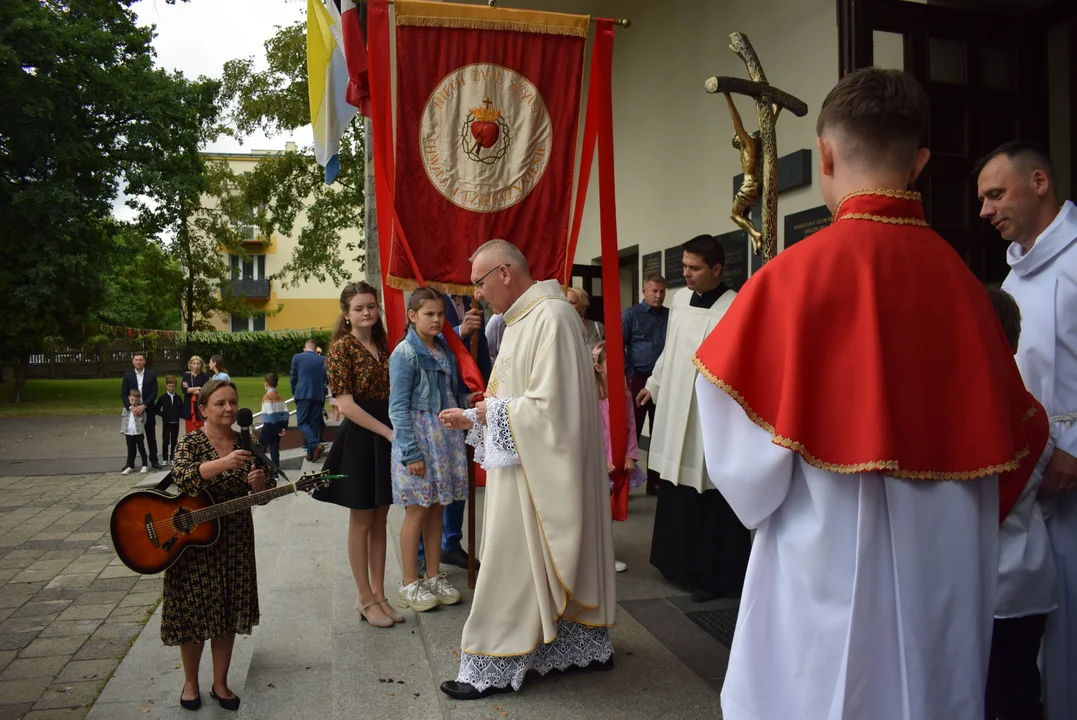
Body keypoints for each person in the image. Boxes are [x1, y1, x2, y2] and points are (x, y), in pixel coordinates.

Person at [692, 67, 1046, 720]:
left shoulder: (788, 279)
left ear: (824, 154)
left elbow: (741, 468)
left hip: (821, 555)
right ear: (918, 163)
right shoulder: (971, 294)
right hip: (943, 573)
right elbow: (1020, 437)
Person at [439, 240, 615, 700]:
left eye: (479, 283)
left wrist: (483, 416)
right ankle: (569, 642)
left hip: (539, 468)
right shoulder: (521, 318)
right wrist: (482, 411)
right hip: (522, 458)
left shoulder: (552, 316)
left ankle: (491, 661)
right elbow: (521, 392)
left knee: (509, 558)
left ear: (504, 273)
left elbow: (550, 408)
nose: (476, 295)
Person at [977, 139, 1077, 720]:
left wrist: (1073, 449)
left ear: (1039, 182)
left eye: (995, 194)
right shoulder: (1012, 282)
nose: (985, 211)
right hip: (1031, 479)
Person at [638, 234, 747, 602]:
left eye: (694, 268)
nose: (685, 274)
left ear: (716, 269)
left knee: (707, 486)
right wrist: (654, 383)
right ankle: (675, 562)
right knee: (675, 482)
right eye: (683, 266)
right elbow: (670, 349)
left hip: (708, 413)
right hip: (675, 407)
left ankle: (713, 575)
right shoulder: (681, 301)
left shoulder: (735, 306)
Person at [166, 379, 273, 712]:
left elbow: (265, 486)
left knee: (227, 609)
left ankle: (220, 683)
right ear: (203, 410)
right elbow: (182, 476)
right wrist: (223, 464)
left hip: (236, 535)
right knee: (195, 612)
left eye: (233, 402)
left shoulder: (248, 440)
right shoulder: (192, 442)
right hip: (194, 540)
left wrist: (259, 483)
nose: (228, 409)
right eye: (220, 403)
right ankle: (189, 683)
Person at [983, 285, 1057, 720]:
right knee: (1021, 691)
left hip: (985, 585)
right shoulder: (1035, 411)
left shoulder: (969, 414)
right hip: (1029, 577)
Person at [311, 282, 401, 628]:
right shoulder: (340, 349)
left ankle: (379, 594)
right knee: (362, 519)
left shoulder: (384, 345)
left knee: (381, 517)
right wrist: (388, 432)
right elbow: (345, 405)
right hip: (363, 437)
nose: (367, 312)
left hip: (385, 431)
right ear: (346, 315)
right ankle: (364, 597)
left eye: (371, 306)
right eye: (359, 308)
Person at [389, 289, 474, 613]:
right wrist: (411, 453)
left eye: (440, 314)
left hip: (444, 440)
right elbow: (398, 408)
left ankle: (434, 575)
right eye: (429, 314)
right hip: (420, 441)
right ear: (412, 316)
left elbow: (448, 394)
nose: (437, 320)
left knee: (438, 506)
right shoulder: (405, 353)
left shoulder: (444, 351)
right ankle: (410, 582)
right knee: (417, 511)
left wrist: (467, 401)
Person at [417, 293, 487, 575]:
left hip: (465, 401)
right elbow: (424, 345)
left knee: (460, 478)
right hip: (432, 411)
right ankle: (421, 552)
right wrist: (460, 332)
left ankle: (451, 542)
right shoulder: (432, 297)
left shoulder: (474, 302)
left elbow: (481, 350)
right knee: (431, 485)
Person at [593, 341, 645, 572]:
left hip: (616, 459)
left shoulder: (623, 394)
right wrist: (597, 460)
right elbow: (586, 430)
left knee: (608, 510)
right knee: (594, 511)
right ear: (598, 367)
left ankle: (605, 555)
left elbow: (630, 426)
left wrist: (631, 455)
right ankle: (592, 556)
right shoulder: (590, 396)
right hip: (597, 462)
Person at [621, 274, 668, 495]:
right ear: (644, 291)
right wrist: (629, 374)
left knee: (659, 433)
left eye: (662, 291)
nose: (658, 295)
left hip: (662, 381)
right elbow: (617, 346)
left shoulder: (671, 316)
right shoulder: (630, 315)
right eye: (654, 291)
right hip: (638, 379)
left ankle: (655, 484)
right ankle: (622, 486)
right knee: (633, 431)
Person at [121, 351, 161, 469]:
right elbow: (123, 394)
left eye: (140, 360)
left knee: (151, 436)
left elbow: (154, 393)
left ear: (144, 361)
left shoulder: (151, 375)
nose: (138, 362)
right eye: (136, 360)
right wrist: (131, 407)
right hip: (133, 411)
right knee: (132, 438)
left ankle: (154, 461)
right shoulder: (128, 375)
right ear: (133, 361)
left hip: (147, 409)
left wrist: (144, 405)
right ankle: (130, 463)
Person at [291, 339, 329, 462]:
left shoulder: (297, 357)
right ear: (316, 348)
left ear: (304, 348)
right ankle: (310, 454)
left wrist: (294, 392)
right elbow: (327, 378)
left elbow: (293, 377)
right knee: (313, 424)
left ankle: (315, 445)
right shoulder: (322, 359)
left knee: (302, 423)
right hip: (318, 396)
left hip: (303, 394)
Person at [259, 372, 289, 468]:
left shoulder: (267, 397)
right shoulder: (280, 397)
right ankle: (276, 471)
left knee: (260, 448)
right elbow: (286, 413)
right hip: (279, 425)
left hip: (269, 426)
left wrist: (277, 429)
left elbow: (270, 414)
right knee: (274, 449)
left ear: (266, 384)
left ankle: (260, 467)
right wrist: (283, 427)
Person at [155, 376, 183, 465]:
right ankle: (164, 459)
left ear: (175, 386)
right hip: (166, 422)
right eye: (169, 386)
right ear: (166, 386)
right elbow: (156, 409)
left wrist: (179, 415)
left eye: (173, 386)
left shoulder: (178, 398)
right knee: (165, 441)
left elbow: (181, 408)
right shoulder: (163, 397)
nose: (171, 388)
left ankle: (173, 458)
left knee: (174, 441)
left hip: (175, 422)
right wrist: (164, 415)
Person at [120, 388, 148, 475]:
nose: (133, 402)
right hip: (129, 432)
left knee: (141, 448)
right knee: (130, 449)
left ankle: (145, 465)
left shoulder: (140, 410)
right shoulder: (125, 409)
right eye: (132, 400)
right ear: (129, 398)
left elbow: (144, 420)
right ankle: (130, 465)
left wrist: (141, 426)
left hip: (138, 432)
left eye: (136, 400)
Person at [180, 356, 209, 434]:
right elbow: (184, 390)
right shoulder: (186, 375)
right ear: (190, 364)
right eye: (194, 363)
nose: (196, 366)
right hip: (189, 405)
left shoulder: (204, 376)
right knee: (189, 432)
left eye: (198, 364)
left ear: (201, 365)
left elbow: (205, 390)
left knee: (201, 431)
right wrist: (198, 388)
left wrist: (190, 389)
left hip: (200, 403)